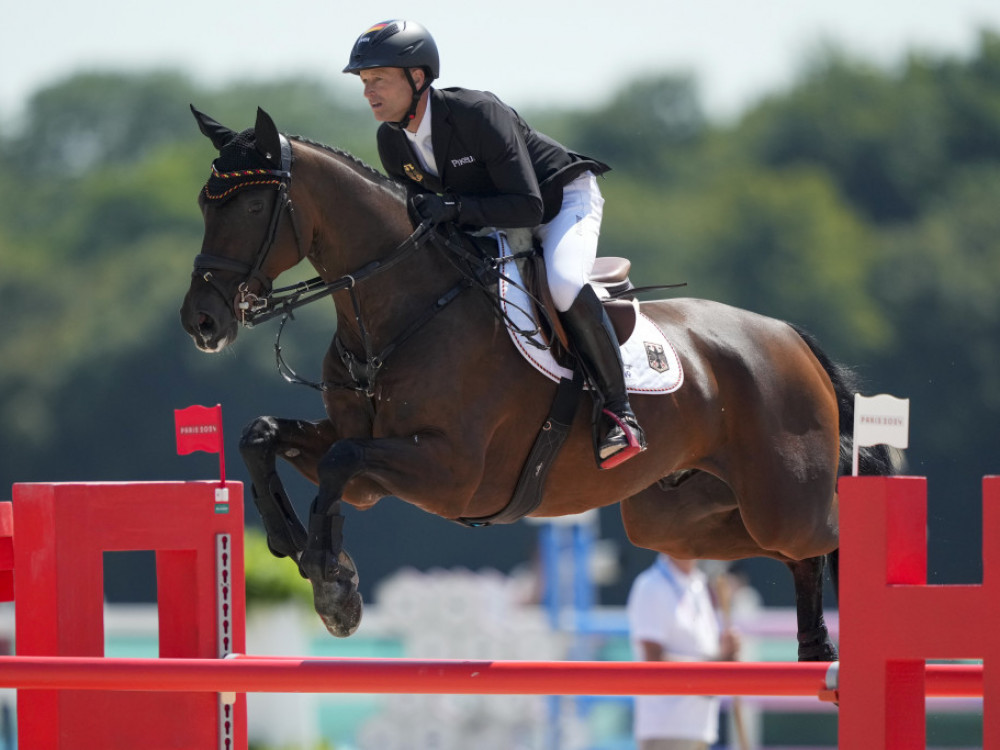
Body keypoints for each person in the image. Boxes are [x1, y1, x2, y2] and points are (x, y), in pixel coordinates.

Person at [343, 19, 647, 469]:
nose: (369, 92)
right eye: (365, 82)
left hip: (559, 202)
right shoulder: (392, 142)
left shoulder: (477, 114)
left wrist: (456, 207)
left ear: (418, 77)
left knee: (563, 283)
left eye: (379, 80)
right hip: (495, 220)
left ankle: (619, 411)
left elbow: (526, 206)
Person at [626, 553, 741, 750]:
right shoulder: (650, 586)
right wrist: (713, 670)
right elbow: (653, 661)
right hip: (667, 728)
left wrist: (726, 656)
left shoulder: (698, 584)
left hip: (699, 727)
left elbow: (704, 654)